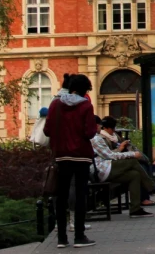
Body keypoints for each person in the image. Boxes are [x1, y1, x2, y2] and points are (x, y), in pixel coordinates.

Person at [44, 73, 97, 248]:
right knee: (81, 196)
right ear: (82, 91)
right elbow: (90, 133)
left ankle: (61, 238)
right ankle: (79, 236)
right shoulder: (86, 106)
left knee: (61, 196)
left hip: (61, 155)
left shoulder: (55, 105)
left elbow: (47, 130)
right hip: (81, 155)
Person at [91, 117, 155, 217]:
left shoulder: (99, 137)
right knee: (132, 161)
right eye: (99, 125)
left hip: (105, 168)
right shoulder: (96, 138)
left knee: (134, 175)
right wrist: (131, 154)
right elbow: (110, 156)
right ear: (95, 125)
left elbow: (109, 154)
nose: (100, 127)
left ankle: (135, 210)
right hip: (101, 170)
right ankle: (152, 187)